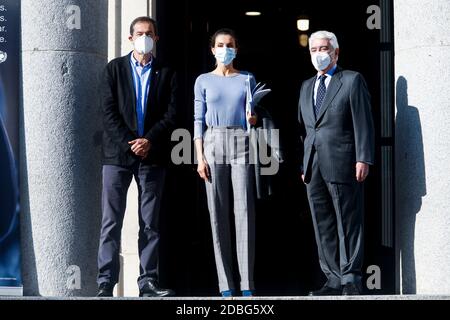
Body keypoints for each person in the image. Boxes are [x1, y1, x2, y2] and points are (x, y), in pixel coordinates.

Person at [97, 16, 177, 297]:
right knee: (111, 220)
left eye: (150, 33)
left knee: (150, 222)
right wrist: (130, 143)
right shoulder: (114, 70)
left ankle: (148, 282)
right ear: (130, 38)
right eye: (140, 33)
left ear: (156, 38)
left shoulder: (166, 72)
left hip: (152, 156)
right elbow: (108, 112)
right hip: (117, 156)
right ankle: (106, 282)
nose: (145, 37)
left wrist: (149, 141)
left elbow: (172, 113)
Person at [298, 31, 375, 296]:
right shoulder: (307, 86)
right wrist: (304, 163)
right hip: (313, 165)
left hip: (343, 160)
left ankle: (350, 278)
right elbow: (305, 128)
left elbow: (362, 121)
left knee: (348, 220)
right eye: (314, 50)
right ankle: (332, 278)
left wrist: (363, 157)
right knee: (323, 223)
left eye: (324, 49)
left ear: (336, 52)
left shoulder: (351, 80)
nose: (319, 54)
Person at [194, 28, 258, 297]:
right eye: (220, 44)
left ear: (236, 48)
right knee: (217, 213)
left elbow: (253, 112)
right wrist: (199, 157)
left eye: (230, 44)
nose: (225, 49)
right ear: (212, 49)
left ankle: (247, 284)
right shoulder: (203, 80)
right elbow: (197, 119)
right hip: (213, 140)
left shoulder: (247, 78)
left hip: (242, 139)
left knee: (244, 212)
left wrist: (254, 120)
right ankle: (226, 285)